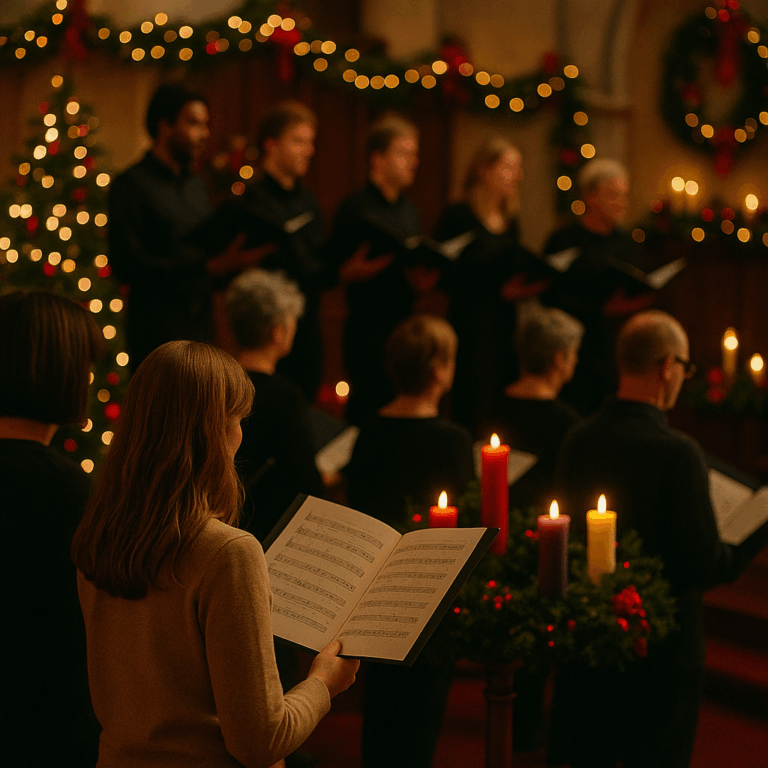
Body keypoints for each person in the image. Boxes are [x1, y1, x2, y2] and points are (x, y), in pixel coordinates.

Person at [71, 340, 359, 768]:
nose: (241, 436)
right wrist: (323, 683)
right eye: (238, 419)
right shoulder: (227, 552)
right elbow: (261, 741)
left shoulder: (100, 534)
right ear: (214, 430)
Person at [554, 310, 768, 768]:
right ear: (667, 366)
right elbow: (701, 564)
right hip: (661, 653)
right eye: (686, 368)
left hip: (589, 642)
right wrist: (751, 534)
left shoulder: (579, 437)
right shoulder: (678, 452)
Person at [345, 314, 474, 768]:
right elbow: (466, 523)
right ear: (439, 370)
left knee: (380, 709)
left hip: (374, 588)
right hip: (429, 593)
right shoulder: (453, 441)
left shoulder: (368, 433)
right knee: (421, 717)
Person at [1, 290, 103, 768]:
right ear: (55, 368)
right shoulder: (61, 486)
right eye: (83, 363)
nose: (88, 377)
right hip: (44, 724)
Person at [109, 84, 262, 370]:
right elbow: (127, 264)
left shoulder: (196, 186)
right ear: (164, 126)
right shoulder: (130, 186)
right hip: (154, 332)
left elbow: (204, 248)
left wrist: (231, 262)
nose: (204, 134)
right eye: (193, 124)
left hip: (200, 326)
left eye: (206, 125)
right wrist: (204, 268)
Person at [326, 114, 435, 425]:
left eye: (414, 154)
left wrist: (420, 282)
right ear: (377, 158)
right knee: (367, 412)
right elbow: (332, 267)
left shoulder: (409, 210)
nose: (413, 162)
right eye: (403, 153)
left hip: (403, 324)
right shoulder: (354, 208)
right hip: (366, 327)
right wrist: (350, 272)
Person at [435, 137, 549, 436]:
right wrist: (494, 290)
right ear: (485, 170)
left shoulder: (511, 220)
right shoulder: (459, 216)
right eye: (510, 167)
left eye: (518, 168)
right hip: (470, 325)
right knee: (472, 402)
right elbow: (446, 277)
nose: (518, 176)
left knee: (501, 404)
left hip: (503, 326)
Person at [221, 102, 326, 402]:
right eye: (298, 141)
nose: (308, 150)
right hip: (263, 331)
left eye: (310, 142)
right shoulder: (250, 201)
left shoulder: (309, 202)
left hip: (305, 326)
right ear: (271, 144)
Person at [543, 158, 654, 415]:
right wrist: (598, 309)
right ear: (591, 197)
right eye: (613, 195)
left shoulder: (627, 243)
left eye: (624, 196)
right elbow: (548, 294)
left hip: (616, 349)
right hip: (571, 351)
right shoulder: (564, 240)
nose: (621, 203)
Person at [225, 268, 324, 544]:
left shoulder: (217, 381)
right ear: (277, 332)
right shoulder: (284, 396)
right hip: (267, 532)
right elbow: (305, 481)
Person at [491, 304, 583, 511]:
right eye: (574, 352)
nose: (576, 359)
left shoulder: (492, 409)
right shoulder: (568, 423)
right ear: (559, 359)